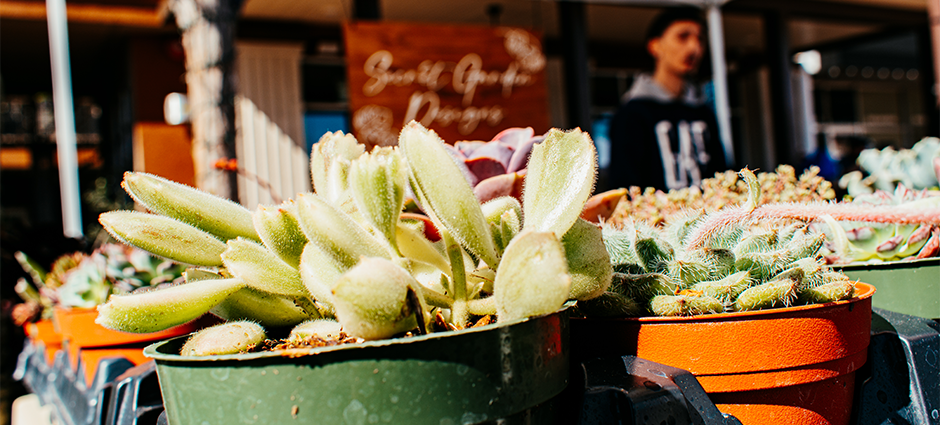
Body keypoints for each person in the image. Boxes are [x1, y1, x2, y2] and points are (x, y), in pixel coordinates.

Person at [607, 7, 727, 191]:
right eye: (683, 36)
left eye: (700, 39)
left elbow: (722, 173)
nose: (694, 48)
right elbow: (624, 185)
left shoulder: (703, 111)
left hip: (708, 217)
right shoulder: (632, 113)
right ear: (655, 46)